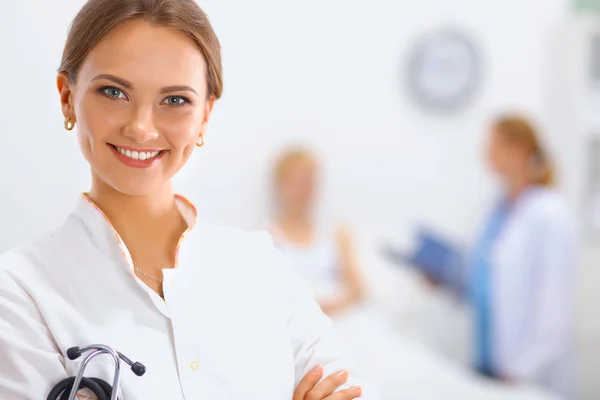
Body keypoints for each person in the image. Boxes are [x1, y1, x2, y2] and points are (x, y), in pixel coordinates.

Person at [0, 1, 377, 399]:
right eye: (114, 92)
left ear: (205, 114)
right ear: (67, 97)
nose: (142, 128)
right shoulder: (20, 292)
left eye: (175, 100)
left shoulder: (262, 266)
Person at [421, 115, 576, 398]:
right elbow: (485, 286)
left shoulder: (549, 213)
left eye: (492, 146)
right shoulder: (497, 208)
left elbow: (554, 308)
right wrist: (444, 282)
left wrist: (524, 371)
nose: (485, 155)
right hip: (486, 362)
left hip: (525, 374)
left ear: (518, 150)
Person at [269, 149, 367, 317]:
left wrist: (332, 307)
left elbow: (358, 289)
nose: (307, 190)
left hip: (339, 318)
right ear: (282, 185)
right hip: (292, 318)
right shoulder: (266, 235)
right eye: (300, 182)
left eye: (311, 181)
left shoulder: (336, 231)